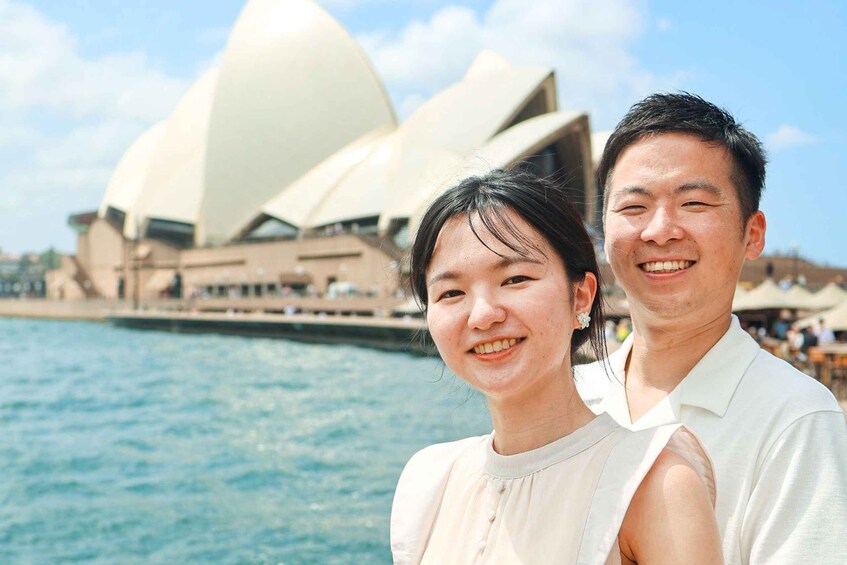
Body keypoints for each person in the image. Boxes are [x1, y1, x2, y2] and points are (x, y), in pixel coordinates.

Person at [391, 169, 722, 564]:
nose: (482, 315)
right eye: (451, 292)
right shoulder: (429, 479)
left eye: (515, 278)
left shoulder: (654, 481)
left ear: (580, 296)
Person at [576, 92, 847, 564]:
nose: (660, 231)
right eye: (634, 207)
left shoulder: (797, 419)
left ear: (752, 234)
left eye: (694, 203)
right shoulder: (570, 395)